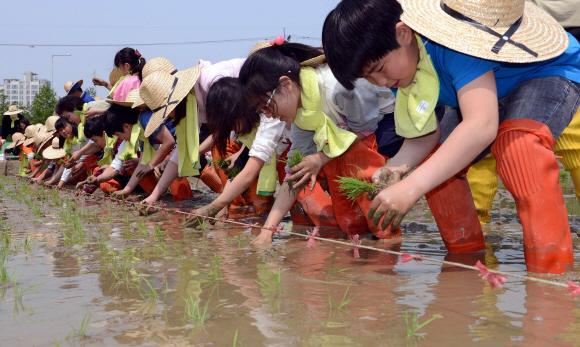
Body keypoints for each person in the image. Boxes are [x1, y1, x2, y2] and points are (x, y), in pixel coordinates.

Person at [321, 0, 580, 274]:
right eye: (369, 79)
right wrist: (396, 166)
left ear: (403, 33)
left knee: (521, 149)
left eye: (381, 69)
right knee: (441, 157)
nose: (381, 84)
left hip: (544, 73)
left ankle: (552, 276)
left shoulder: (452, 41)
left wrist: (412, 188)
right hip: (489, 90)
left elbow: (481, 125)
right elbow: (426, 134)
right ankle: (466, 258)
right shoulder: (402, 72)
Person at [237, 40, 405, 243]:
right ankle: (360, 239)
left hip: (391, 123)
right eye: (260, 110)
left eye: (265, 105)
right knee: (343, 201)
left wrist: (319, 159)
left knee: (354, 166)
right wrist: (267, 231)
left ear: (286, 85)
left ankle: (389, 242)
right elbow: (293, 174)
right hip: (351, 135)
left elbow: (365, 129)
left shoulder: (340, 86)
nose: (268, 115)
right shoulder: (303, 114)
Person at [102, 95, 193, 202]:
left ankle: (186, 203)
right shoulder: (138, 132)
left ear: (126, 126)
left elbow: (169, 142)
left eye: (118, 134)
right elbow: (142, 164)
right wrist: (126, 190)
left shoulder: (145, 119)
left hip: (191, 140)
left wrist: (151, 165)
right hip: (181, 146)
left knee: (171, 169)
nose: (120, 138)